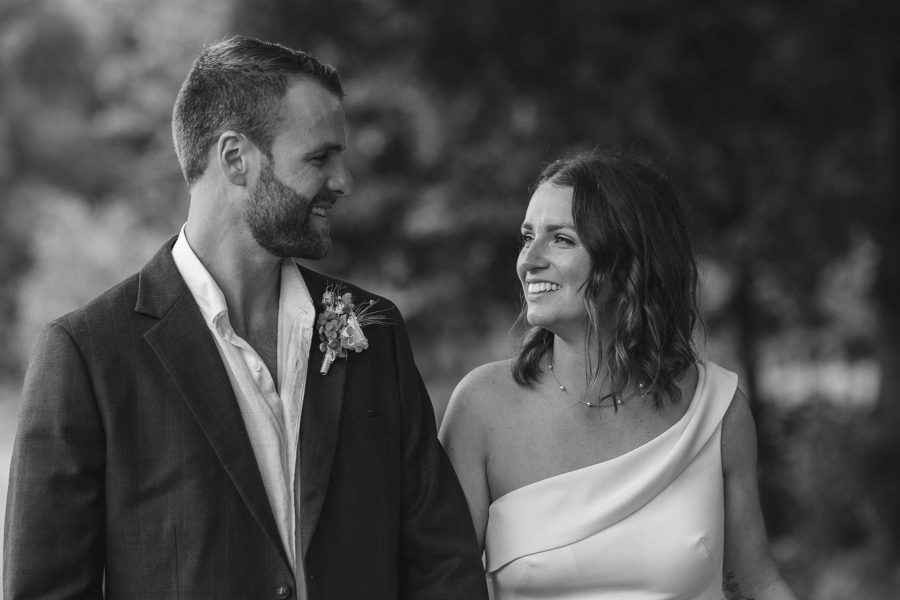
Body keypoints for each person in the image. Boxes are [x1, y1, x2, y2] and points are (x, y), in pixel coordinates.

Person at [4, 36, 489, 600]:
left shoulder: (372, 329)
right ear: (236, 159)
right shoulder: (87, 354)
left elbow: (441, 565)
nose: (344, 181)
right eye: (319, 157)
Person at [440, 148, 799, 599]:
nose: (529, 259)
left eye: (562, 239)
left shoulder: (718, 410)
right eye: (527, 236)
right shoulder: (482, 409)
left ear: (629, 261)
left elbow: (756, 581)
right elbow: (443, 587)